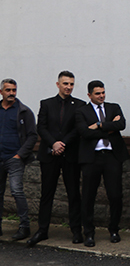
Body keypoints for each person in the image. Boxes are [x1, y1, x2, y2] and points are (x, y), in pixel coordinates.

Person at [28, 71, 87, 247]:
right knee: (47, 193)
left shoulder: (80, 105)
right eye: (65, 84)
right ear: (58, 84)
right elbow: (41, 127)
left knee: (74, 194)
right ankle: (42, 230)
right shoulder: (46, 104)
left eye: (71, 84)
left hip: (70, 155)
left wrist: (62, 144)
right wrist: (53, 144)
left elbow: (77, 129)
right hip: (49, 155)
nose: (69, 87)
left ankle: (76, 230)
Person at [76, 80, 129, 246]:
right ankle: (89, 233)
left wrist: (99, 125)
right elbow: (83, 132)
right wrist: (108, 128)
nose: (101, 96)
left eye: (103, 92)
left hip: (112, 156)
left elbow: (121, 124)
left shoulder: (114, 107)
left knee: (115, 195)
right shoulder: (82, 111)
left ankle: (114, 229)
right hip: (91, 158)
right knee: (88, 197)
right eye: (97, 93)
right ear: (89, 95)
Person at [0, 78, 37, 240]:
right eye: (8, 90)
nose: (11, 93)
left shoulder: (23, 111)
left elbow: (32, 136)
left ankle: (24, 226)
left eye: (14, 90)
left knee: (16, 191)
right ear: (1, 92)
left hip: (14, 159)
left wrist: (19, 155)